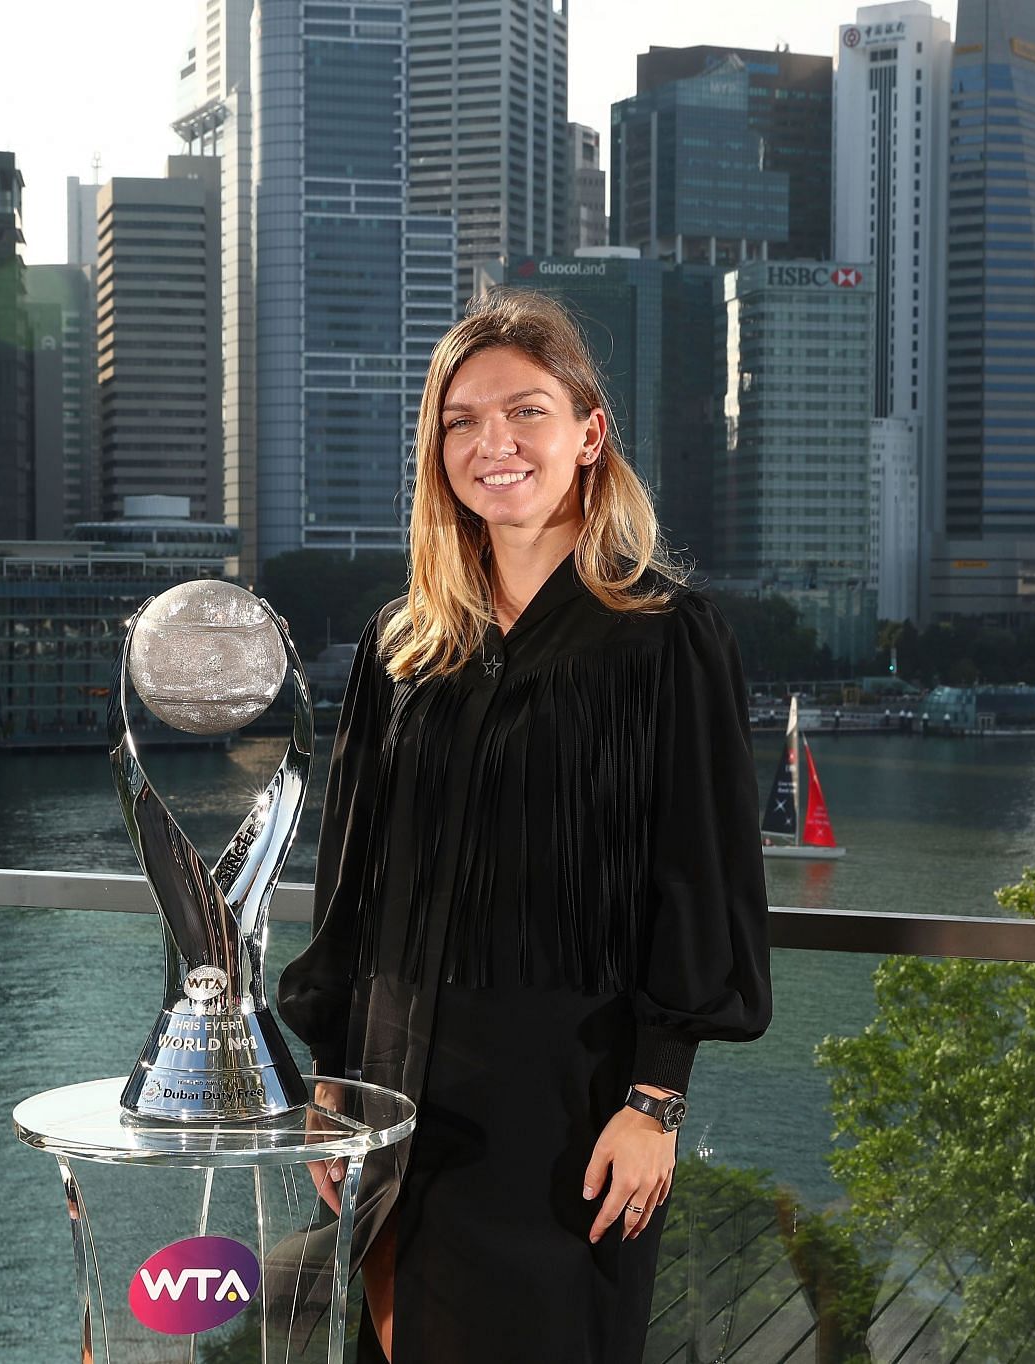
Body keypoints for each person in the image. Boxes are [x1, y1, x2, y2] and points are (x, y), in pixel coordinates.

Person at [277, 289, 771, 1363]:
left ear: (590, 434)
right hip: (398, 1095)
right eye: (461, 420)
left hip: (571, 1105)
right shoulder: (401, 648)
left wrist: (655, 1098)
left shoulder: (667, 639)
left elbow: (702, 877)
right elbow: (350, 882)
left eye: (526, 411)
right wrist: (329, 1076)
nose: (491, 442)